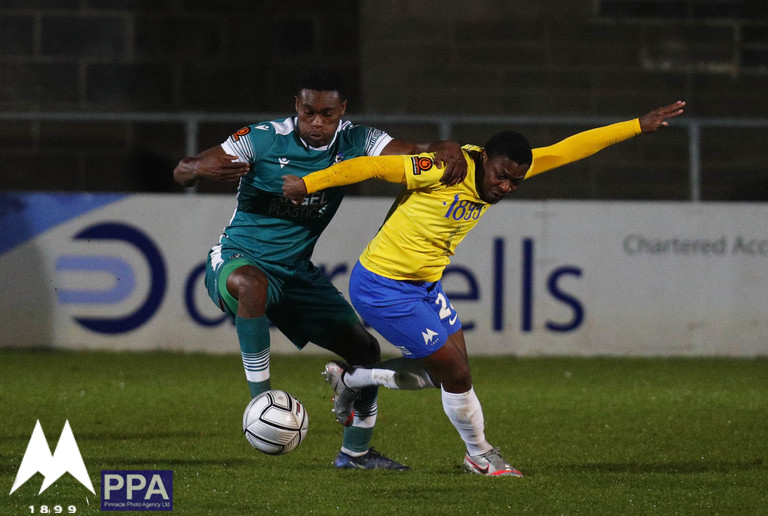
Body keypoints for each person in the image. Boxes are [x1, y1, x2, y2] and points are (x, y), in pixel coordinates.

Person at [282, 101, 686, 476]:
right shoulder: (444, 168)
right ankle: (479, 455)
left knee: (448, 371)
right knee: (456, 373)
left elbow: (568, 150)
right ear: (486, 160)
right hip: (382, 287)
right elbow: (369, 168)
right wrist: (308, 184)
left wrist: (637, 125)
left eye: (516, 182)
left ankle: (354, 380)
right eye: (502, 177)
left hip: (423, 286)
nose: (506, 188)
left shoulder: (501, 173)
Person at [172, 67, 468, 470]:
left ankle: (355, 454)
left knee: (365, 349)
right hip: (238, 257)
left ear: (341, 109)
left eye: (327, 114)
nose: (316, 122)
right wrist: (198, 170)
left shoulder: (357, 140)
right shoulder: (262, 138)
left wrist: (444, 146)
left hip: (296, 273)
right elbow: (184, 169)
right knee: (251, 284)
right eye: (308, 111)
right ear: (297, 105)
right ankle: (261, 398)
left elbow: (416, 150)